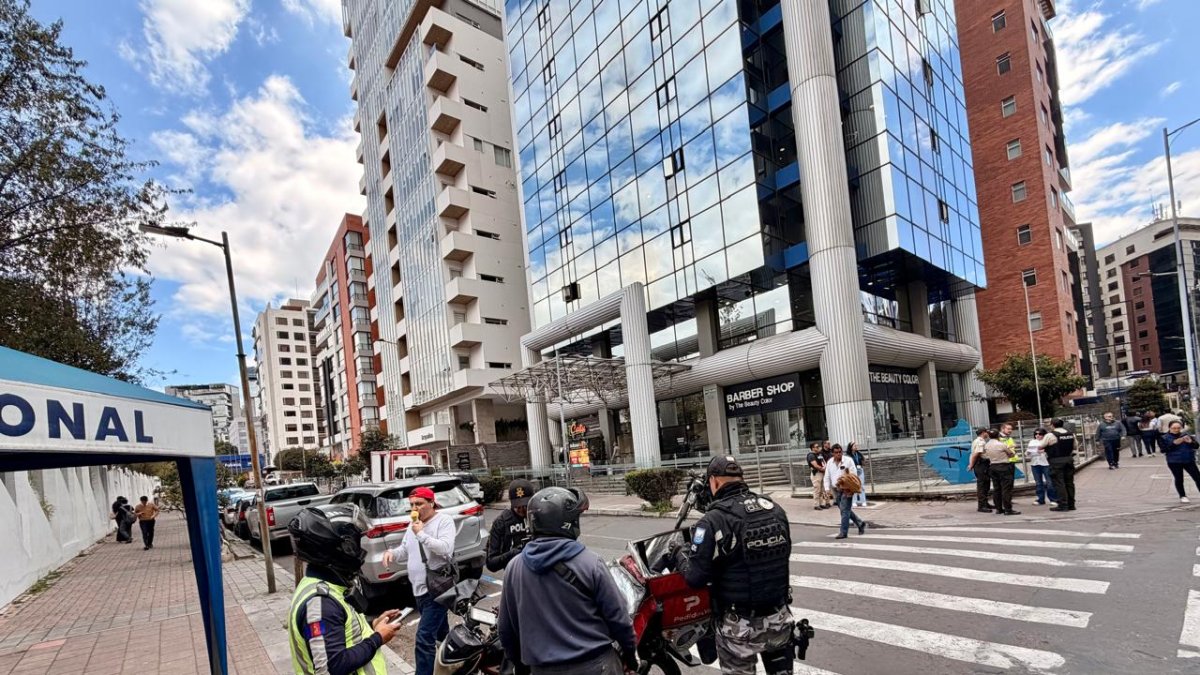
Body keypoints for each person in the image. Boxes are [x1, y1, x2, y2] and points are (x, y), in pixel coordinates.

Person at [497, 487, 637, 675]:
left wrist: (521, 666)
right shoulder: (590, 563)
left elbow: (506, 631)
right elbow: (619, 620)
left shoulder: (514, 568)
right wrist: (630, 656)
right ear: (568, 523)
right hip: (595, 666)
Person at [675, 456, 794, 675]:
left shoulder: (713, 520)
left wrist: (680, 555)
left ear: (714, 481)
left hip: (739, 628)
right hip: (779, 619)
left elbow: (695, 578)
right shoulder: (774, 509)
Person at [287, 504, 399, 675]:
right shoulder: (321, 604)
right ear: (339, 549)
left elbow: (340, 632)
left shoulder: (325, 586)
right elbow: (331, 667)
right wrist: (377, 638)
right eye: (354, 544)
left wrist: (371, 626)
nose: (359, 551)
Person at [381, 487, 457, 675]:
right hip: (419, 590)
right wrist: (392, 553)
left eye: (419, 504)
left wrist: (421, 534)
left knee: (424, 638)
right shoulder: (413, 524)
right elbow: (405, 549)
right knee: (440, 632)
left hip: (437, 589)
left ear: (431, 503)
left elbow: (446, 549)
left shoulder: (444, 521)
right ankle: (452, 663)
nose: (415, 508)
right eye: (412, 505)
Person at [486, 479, 534, 573]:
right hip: (515, 574)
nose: (522, 510)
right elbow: (491, 563)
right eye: (518, 506)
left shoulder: (540, 516)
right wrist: (513, 553)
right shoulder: (501, 523)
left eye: (525, 505)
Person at [824, 445, 867, 539]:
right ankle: (860, 523)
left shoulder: (848, 460)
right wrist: (827, 489)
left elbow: (853, 474)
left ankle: (843, 532)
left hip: (847, 489)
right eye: (836, 452)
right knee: (845, 510)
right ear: (832, 453)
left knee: (844, 511)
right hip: (836, 489)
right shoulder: (830, 462)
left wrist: (848, 485)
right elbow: (827, 476)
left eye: (840, 452)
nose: (838, 454)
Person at [1159, 420, 1200, 503]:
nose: (1176, 430)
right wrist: (1174, 444)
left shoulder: (1186, 435)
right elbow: (1163, 450)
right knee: (1179, 478)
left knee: (1198, 478)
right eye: (1174, 428)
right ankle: (1182, 495)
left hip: (1188, 460)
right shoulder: (1164, 437)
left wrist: (1191, 442)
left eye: (1178, 428)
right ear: (1169, 428)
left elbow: (1196, 446)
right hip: (1174, 461)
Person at [1044, 419, 1077, 512]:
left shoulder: (1050, 435)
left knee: (1059, 483)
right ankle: (1071, 504)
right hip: (1068, 460)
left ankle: (1063, 505)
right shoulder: (1071, 434)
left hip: (1056, 461)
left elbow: (1041, 446)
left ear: (1052, 425)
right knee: (1069, 482)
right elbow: (1075, 446)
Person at [984, 429, 1020, 515]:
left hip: (993, 466)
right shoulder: (1001, 445)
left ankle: (998, 508)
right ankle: (1008, 509)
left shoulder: (986, 445)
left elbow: (986, 455)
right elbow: (1011, 454)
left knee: (997, 488)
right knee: (1006, 488)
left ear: (989, 436)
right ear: (998, 436)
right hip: (1004, 466)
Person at [1026, 429, 1058, 506]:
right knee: (1038, 482)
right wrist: (1028, 452)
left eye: (1040, 434)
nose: (1038, 435)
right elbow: (1027, 452)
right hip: (1035, 463)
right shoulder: (1032, 442)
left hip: (1045, 463)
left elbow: (1052, 452)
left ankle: (1053, 499)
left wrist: (1044, 451)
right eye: (1036, 434)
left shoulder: (1047, 441)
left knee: (1049, 482)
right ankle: (1040, 499)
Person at [967, 429, 993, 513]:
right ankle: (982, 506)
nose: (987, 434)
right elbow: (976, 454)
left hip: (980, 464)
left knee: (985, 484)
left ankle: (985, 503)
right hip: (981, 464)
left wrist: (971, 464)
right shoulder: (980, 442)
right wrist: (971, 465)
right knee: (983, 485)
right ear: (983, 433)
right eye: (986, 432)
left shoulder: (976, 441)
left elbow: (972, 454)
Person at [805, 442, 830, 510]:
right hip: (817, 474)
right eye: (816, 447)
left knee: (821, 489)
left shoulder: (819, 454)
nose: (818, 447)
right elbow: (815, 465)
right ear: (812, 448)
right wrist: (823, 469)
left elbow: (823, 462)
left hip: (821, 473)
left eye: (818, 446)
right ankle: (816, 505)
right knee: (817, 489)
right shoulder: (811, 455)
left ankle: (821, 503)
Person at [847, 442, 868, 507]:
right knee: (854, 486)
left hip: (860, 470)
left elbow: (863, 462)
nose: (856, 447)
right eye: (854, 446)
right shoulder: (848, 456)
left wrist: (863, 460)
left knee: (861, 486)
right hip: (853, 471)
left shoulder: (859, 454)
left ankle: (863, 501)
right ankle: (854, 501)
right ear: (851, 447)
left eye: (856, 446)